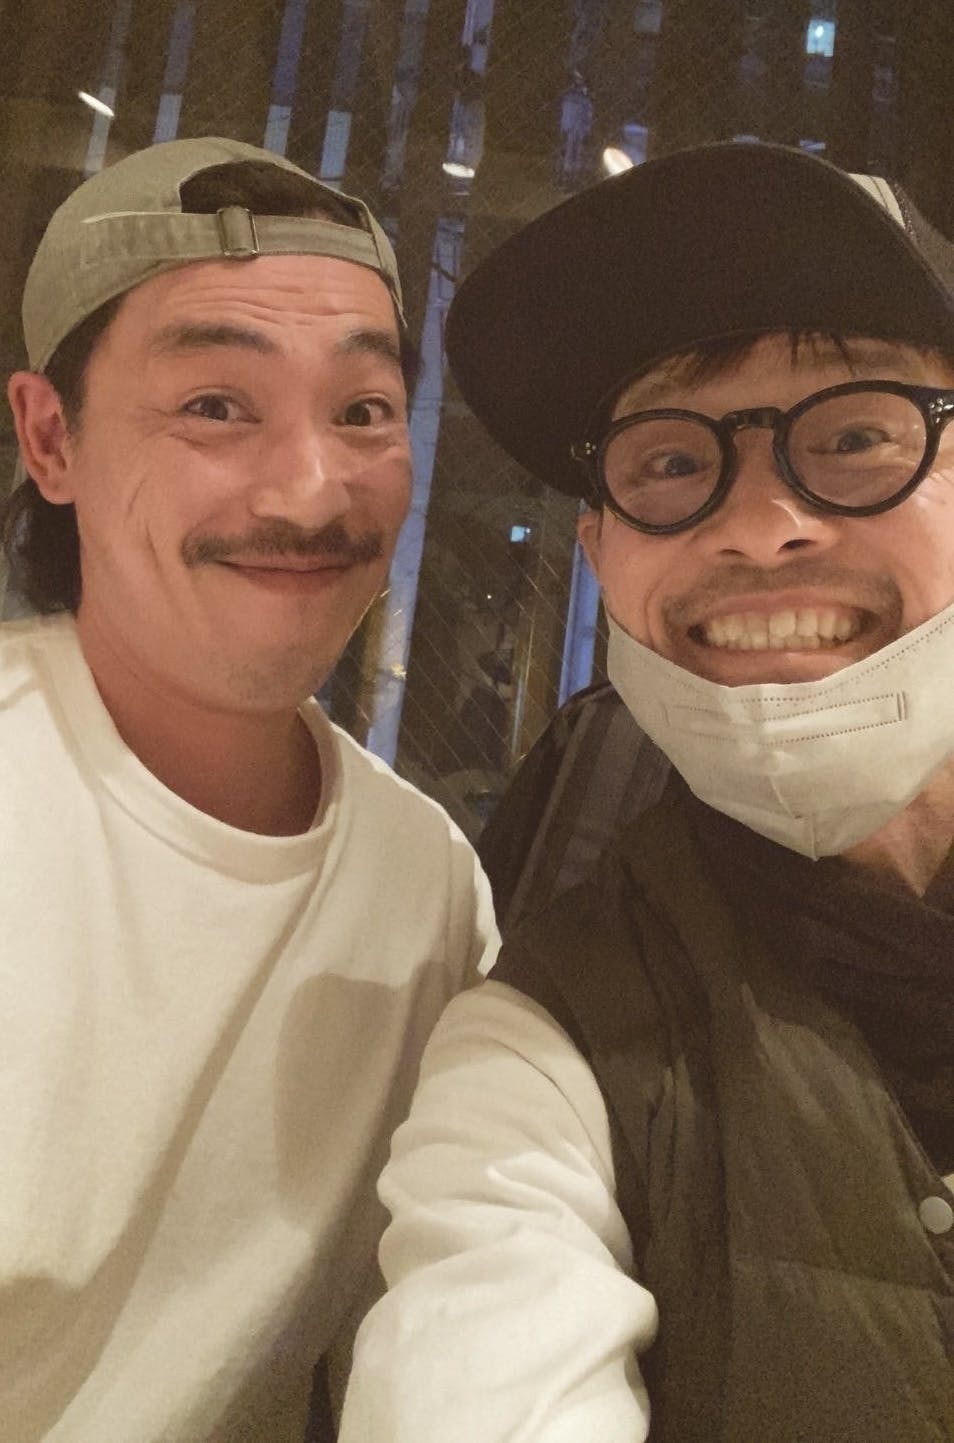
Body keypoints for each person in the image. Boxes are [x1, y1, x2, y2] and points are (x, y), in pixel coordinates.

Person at [339, 142, 954, 1442]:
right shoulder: (553, 1042)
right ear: (600, 553)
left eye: (855, 435)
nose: (759, 522)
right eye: (670, 461)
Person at [0, 136, 496, 1442]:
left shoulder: (428, 884)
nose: (309, 491)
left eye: (363, 412)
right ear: (51, 439)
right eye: (216, 405)